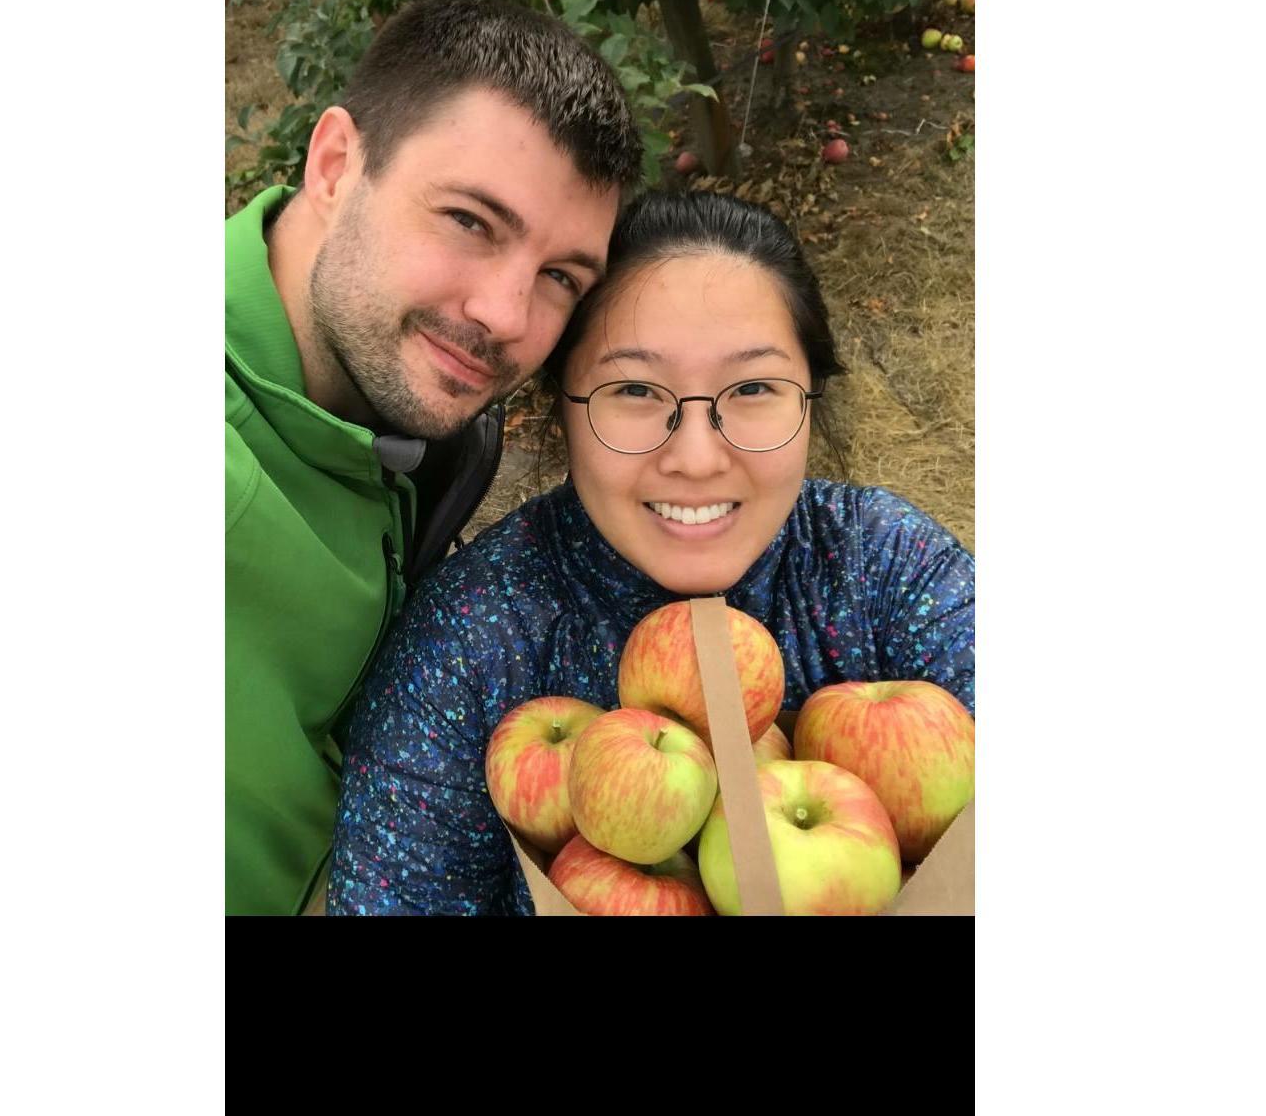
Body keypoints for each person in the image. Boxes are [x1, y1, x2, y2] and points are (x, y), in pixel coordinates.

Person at [327, 191, 975, 916]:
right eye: (634, 389)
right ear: (559, 407)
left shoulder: (884, 566)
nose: (696, 459)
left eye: (755, 387)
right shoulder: (476, 638)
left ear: (811, 398)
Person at [226, 0, 644, 915]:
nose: (506, 315)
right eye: (468, 220)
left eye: (561, 277)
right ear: (336, 164)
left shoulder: (419, 423)